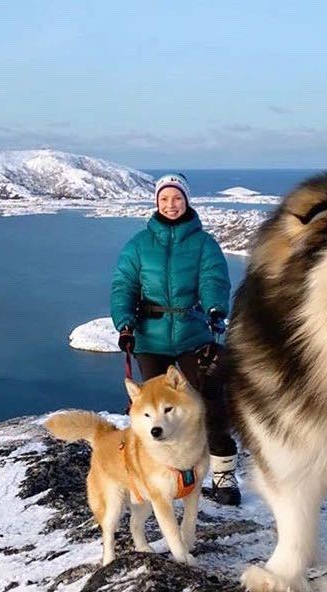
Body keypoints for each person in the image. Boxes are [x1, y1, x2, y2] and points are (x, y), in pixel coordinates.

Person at [110, 173, 241, 506]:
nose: (171, 204)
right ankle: (165, 476)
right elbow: (124, 285)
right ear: (156, 202)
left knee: (209, 402)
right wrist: (124, 323)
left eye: (177, 198)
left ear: (186, 201)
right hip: (150, 338)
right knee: (155, 413)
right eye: (165, 199)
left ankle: (224, 477)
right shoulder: (139, 245)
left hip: (192, 335)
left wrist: (214, 309)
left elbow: (214, 279)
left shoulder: (204, 244)